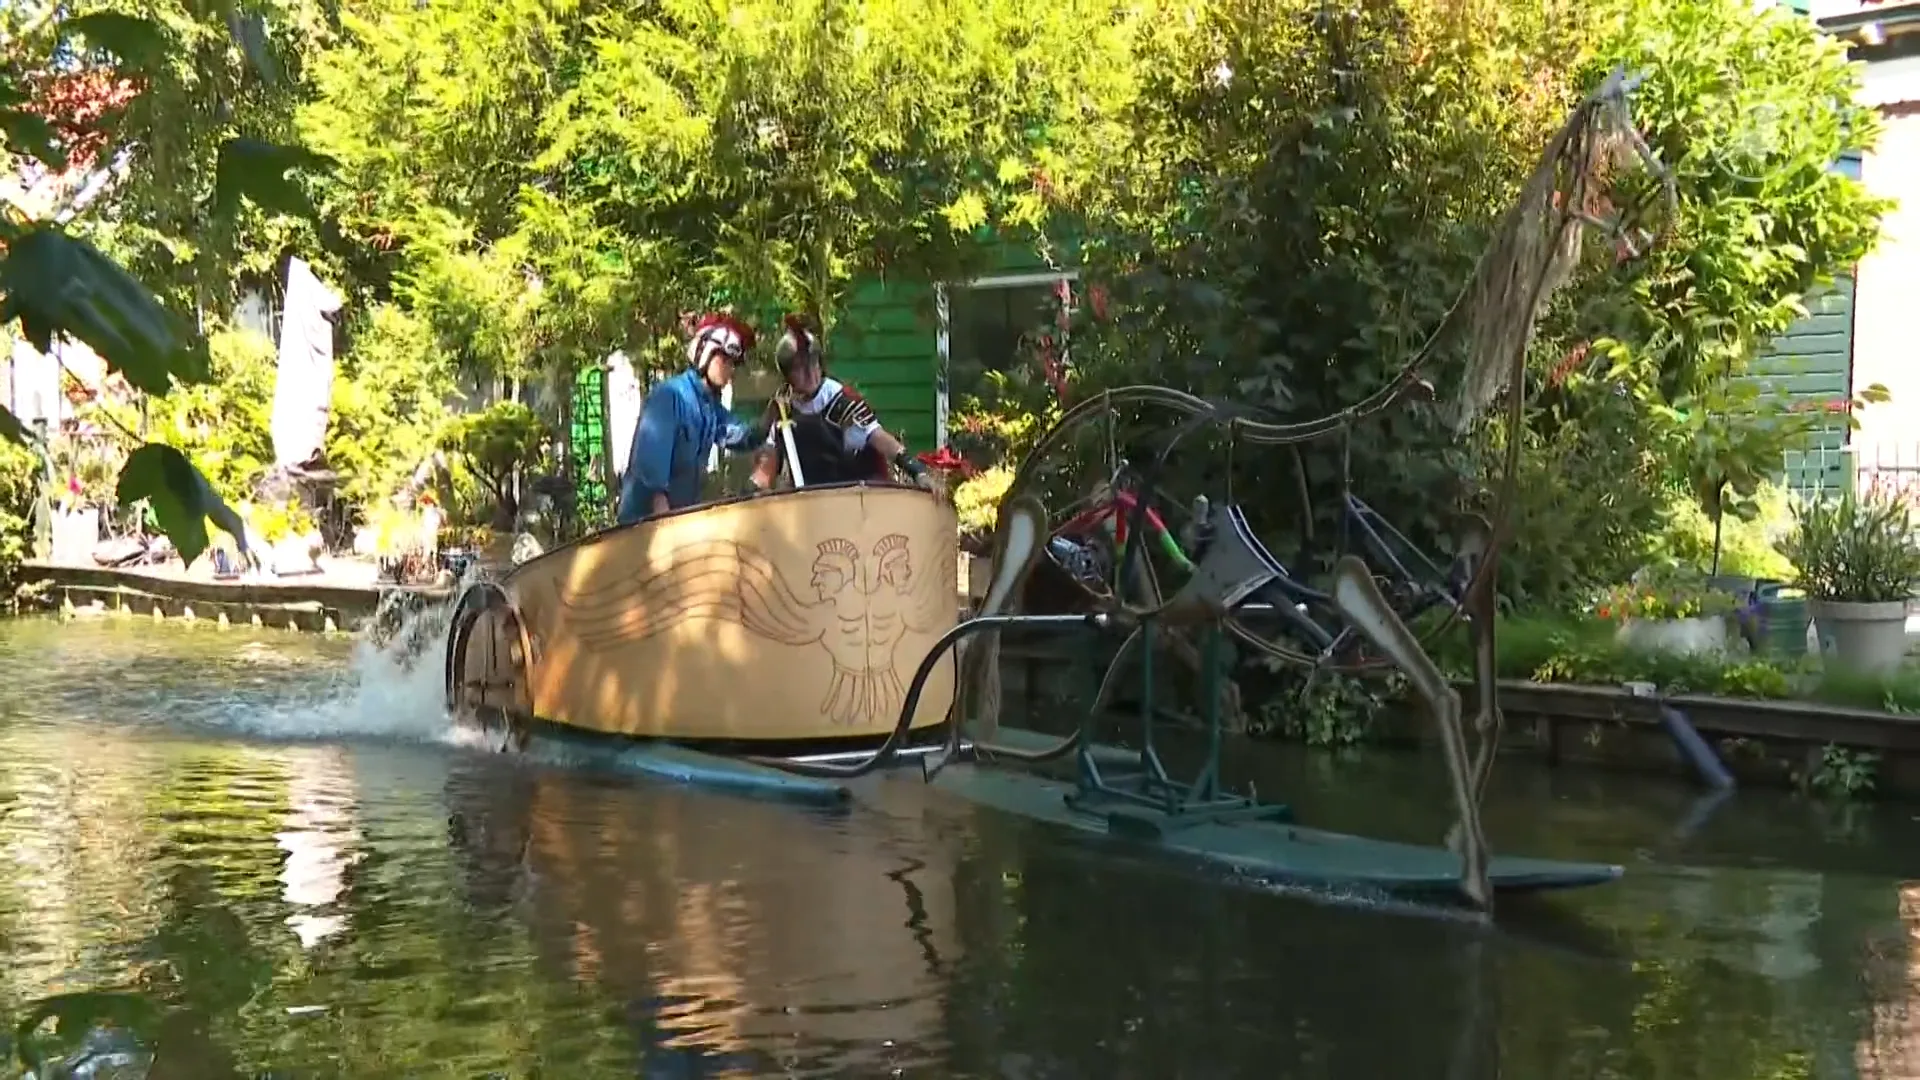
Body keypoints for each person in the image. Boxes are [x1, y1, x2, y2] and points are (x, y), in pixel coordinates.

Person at [749, 314, 930, 491]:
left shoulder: (842, 401)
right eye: (799, 368)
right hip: (811, 502)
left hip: (858, 497)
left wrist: (918, 472)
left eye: (813, 364)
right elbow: (767, 463)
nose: (810, 373)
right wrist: (754, 488)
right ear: (787, 374)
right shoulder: (781, 407)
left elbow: (880, 439)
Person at [617, 312, 757, 524]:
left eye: (734, 364)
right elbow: (652, 475)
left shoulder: (711, 408)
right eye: (726, 360)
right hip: (644, 529)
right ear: (705, 353)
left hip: (680, 522)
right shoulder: (670, 396)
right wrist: (667, 529)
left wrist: (772, 417)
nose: (731, 370)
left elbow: (741, 436)